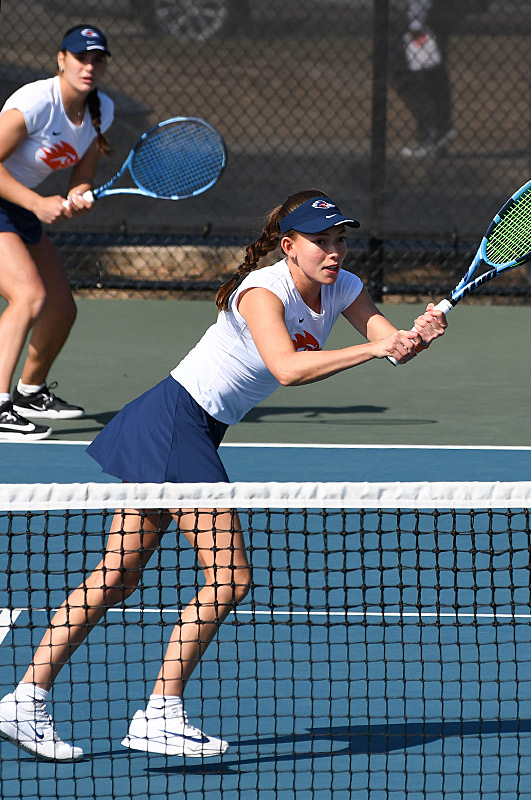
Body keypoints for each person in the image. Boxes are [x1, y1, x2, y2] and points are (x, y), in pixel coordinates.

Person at [0, 189, 447, 762]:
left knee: (117, 576)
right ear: (288, 246)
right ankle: (159, 711)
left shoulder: (347, 287)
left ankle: (25, 698)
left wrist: (413, 338)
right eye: (321, 241)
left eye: (340, 240)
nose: (334, 252)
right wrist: (377, 348)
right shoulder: (262, 291)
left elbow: (391, 347)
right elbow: (286, 369)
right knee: (229, 578)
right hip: (174, 421)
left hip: (191, 430)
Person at [0, 25, 114, 441]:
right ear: (61, 60)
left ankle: (30, 393)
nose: (89, 65)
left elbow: (82, 174)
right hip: (8, 203)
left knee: (61, 308)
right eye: (80, 57)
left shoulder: (102, 109)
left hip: (18, 206)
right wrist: (37, 203)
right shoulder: (35, 102)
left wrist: (77, 196)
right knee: (28, 296)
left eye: (97, 58)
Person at [391, 0, 456, 158]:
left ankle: (433, 132)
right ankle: (439, 131)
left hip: (422, 19)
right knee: (432, 73)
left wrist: (416, 22)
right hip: (431, 15)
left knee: (406, 73)